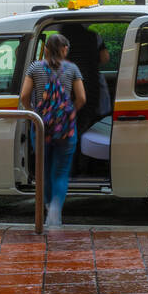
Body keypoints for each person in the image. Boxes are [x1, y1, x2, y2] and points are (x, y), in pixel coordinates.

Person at [20, 33, 85, 228]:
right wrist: (70, 112)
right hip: (65, 129)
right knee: (61, 172)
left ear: (46, 49)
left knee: (44, 170)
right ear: (64, 49)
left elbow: (24, 95)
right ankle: (56, 211)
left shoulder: (35, 68)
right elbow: (81, 98)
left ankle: (47, 206)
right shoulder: (72, 69)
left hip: (41, 127)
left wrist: (34, 113)